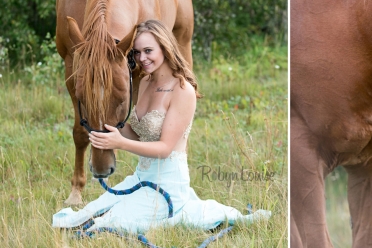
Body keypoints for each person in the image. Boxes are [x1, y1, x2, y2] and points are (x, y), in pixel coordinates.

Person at [52, 19, 270, 234]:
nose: (142, 58)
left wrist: (120, 143)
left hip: (167, 185)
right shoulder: (146, 82)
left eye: (148, 50)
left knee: (109, 224)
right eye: (137, 52)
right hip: (141, 178)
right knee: (84, 216)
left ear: (165, 47)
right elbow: (140, 133)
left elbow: (165, 148)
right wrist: (104, 126)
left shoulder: (182, 90)